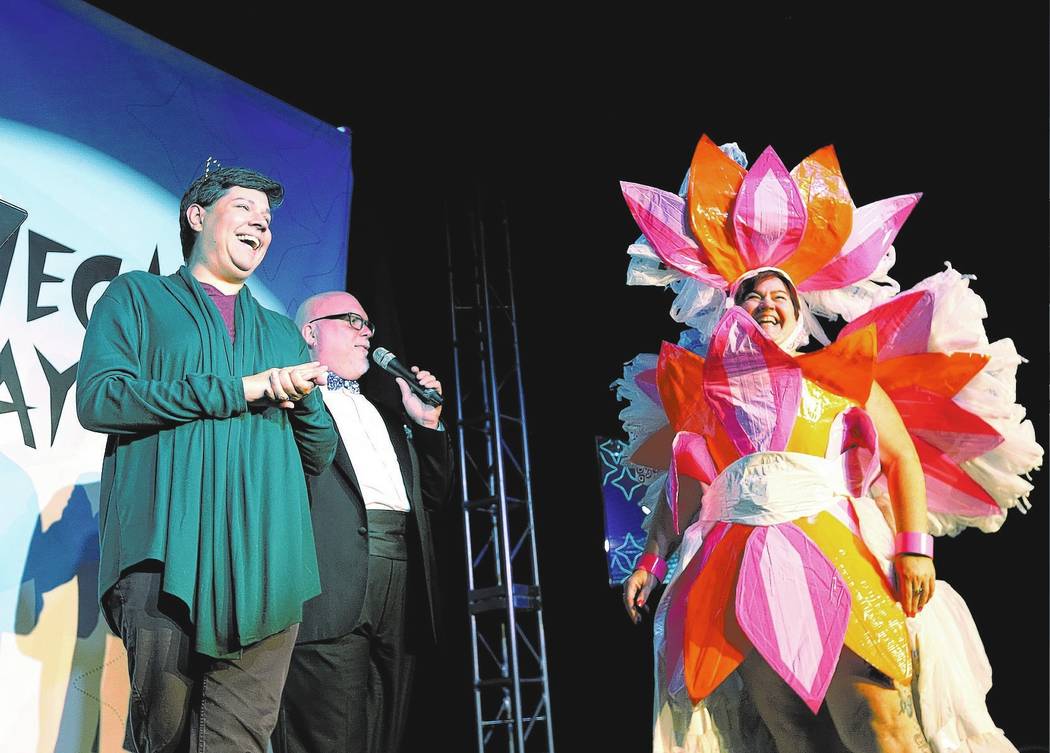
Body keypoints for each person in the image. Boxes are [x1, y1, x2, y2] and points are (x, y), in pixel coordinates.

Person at [615, 136, 1038, 752]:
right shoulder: (702, 394)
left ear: (798, 312)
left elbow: (899, 456)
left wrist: (914, 549)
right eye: (752, 295)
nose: (766, 305)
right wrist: (651, 562)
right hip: (736, 566)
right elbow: (683, 492)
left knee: (878, 724)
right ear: (729, 308)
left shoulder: (841, 374)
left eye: (779, 297)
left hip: (834, 550)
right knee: (794, 733)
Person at [76, 166, 337, 753]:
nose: (261, 224)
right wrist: (240, 389)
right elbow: (100, 399)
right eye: (244, 208)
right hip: (164, 554)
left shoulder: (281, 333)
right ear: (197, 216)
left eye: (266, 219)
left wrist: (303, 399)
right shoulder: (138, 297)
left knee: (239, 742)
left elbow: (318, 453)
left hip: (268, 568)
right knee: (164, 737)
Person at [273, 291, 453, 753]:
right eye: (351, 321)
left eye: (368, 324)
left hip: (400, 577)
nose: (366, 332)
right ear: (310, 332)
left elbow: (433, 496)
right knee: (328, 735)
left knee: (384, 731)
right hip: (330, 579)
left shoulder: (387, 415)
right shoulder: (289, 407)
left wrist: (427, 424)